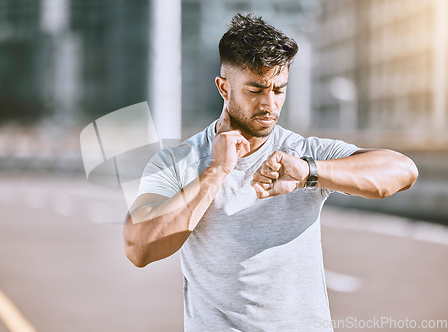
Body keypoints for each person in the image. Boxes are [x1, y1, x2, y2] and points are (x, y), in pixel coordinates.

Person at [123, 13, 418, 331]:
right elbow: (139, 247)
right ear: (224, 88)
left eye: (279, 90)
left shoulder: (303, 151)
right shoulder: (178, 161)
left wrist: (309, 172)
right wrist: (216, 171)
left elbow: (403, 171)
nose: (270, 105)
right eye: (256, 90)